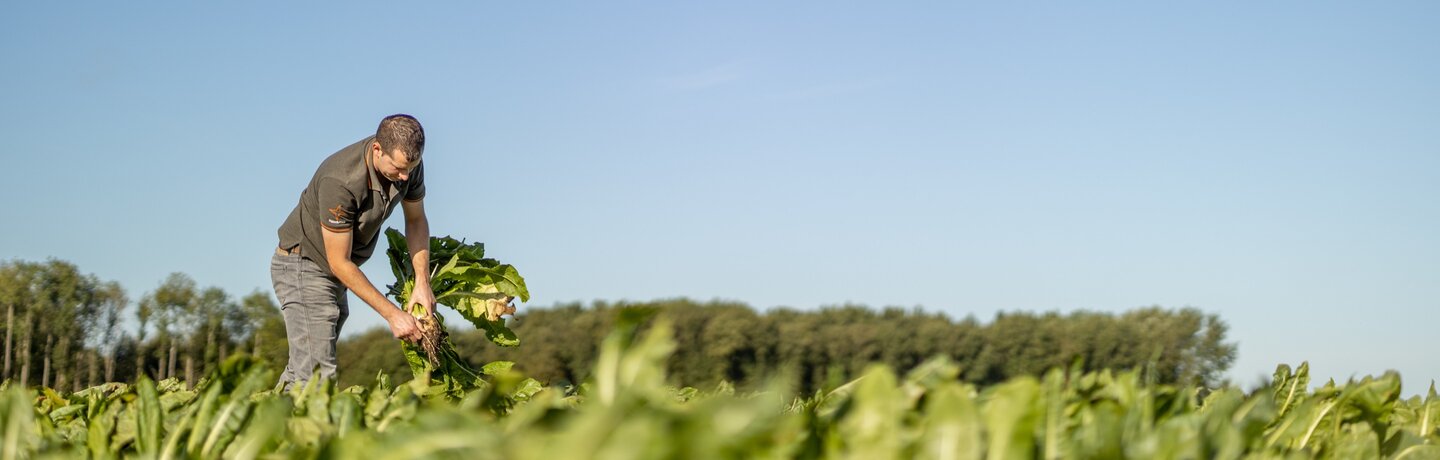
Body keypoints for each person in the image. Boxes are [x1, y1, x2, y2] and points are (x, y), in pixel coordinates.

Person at [271, 114, 435, 385]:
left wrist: (422, 283)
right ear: (377, 149)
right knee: (316, 380)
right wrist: (393, 315)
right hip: (304, 266)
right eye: (397, 168)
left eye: (411, 167)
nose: (405, 176)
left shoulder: (408, 164)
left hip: (333, 273)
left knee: (300, 372)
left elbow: (416, 220)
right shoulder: (341, 181)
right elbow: (339, 262)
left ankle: (262, 424)